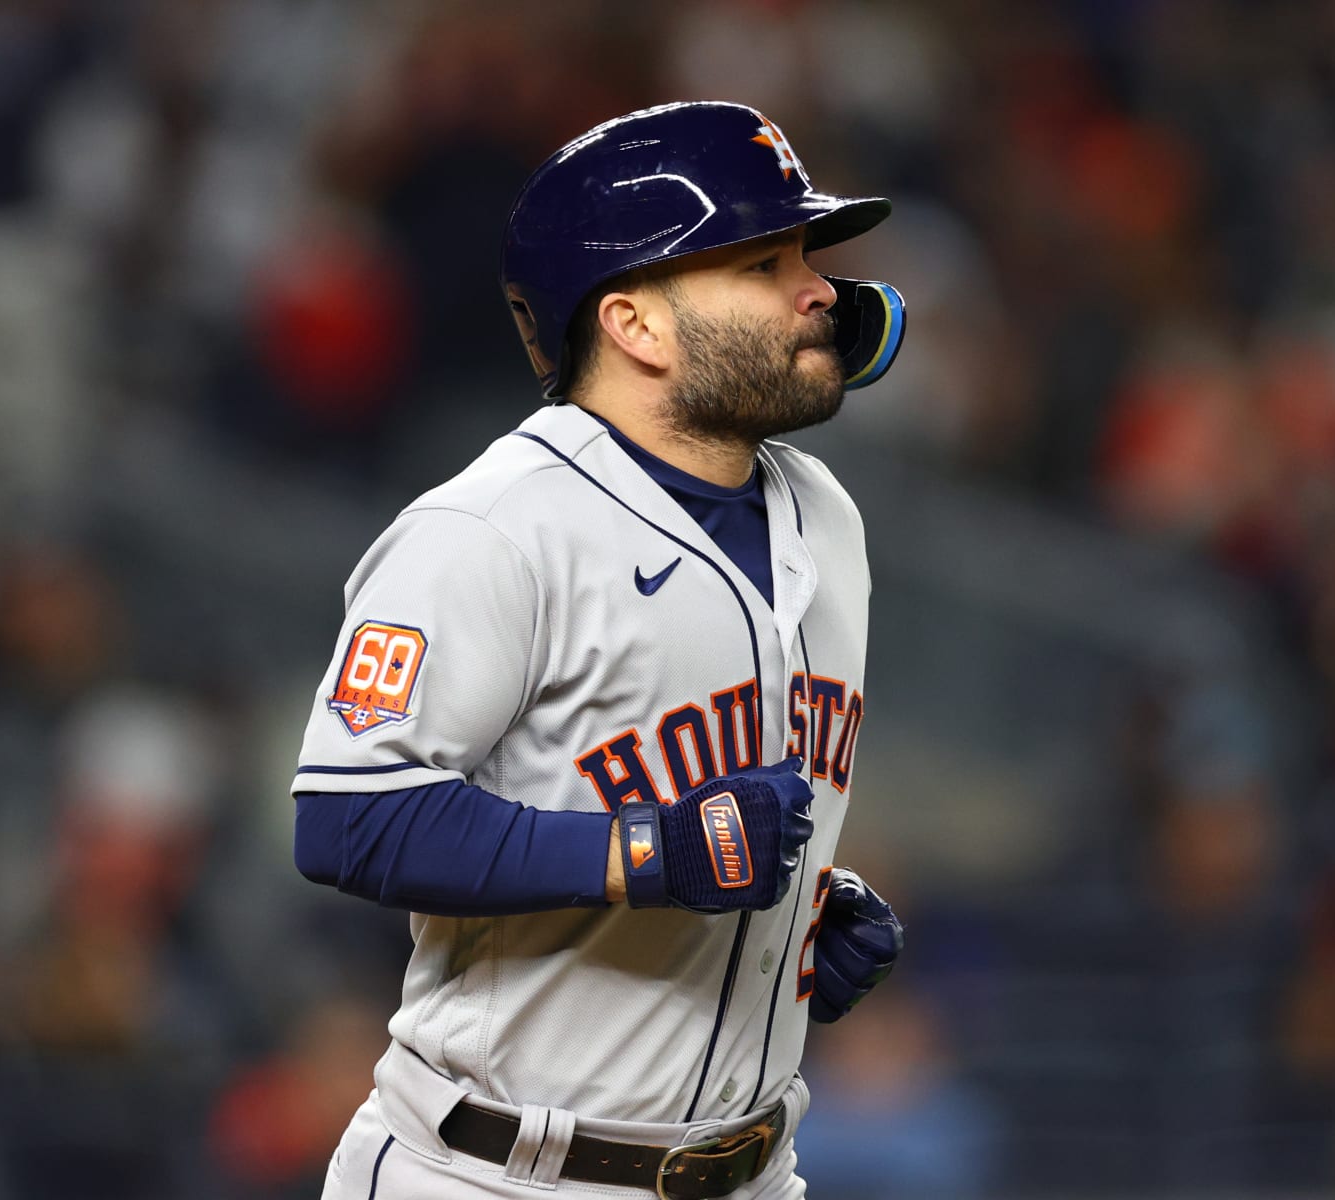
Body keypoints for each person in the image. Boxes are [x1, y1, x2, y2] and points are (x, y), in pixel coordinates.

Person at [291, 101, 907, 1200]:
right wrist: (645, 856)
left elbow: (710, 812)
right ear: (637, 325)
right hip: (494, 1172)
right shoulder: (492, 528)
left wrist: (800, 920)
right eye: (766, 261)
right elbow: (351, 815)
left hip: (756, 1169)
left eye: (807, 256)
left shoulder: (827, 517)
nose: (818, 289)